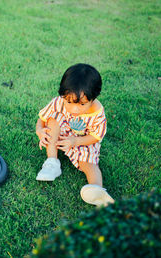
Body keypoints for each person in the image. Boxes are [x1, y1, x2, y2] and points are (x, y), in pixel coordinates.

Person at [35, 63, 115, 206]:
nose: (74, 109)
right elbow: (42, 119)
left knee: (89, 164)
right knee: (52, 120)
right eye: (69, 102)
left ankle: (97, 190)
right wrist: (40, 131)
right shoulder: (58, 102)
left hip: (83, 140)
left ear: (93, 98)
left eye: (82, 104)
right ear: (63, 95)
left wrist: (75, 142)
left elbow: (96, 136)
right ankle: (52, 163)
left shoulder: (97, 113)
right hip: (62, 133)